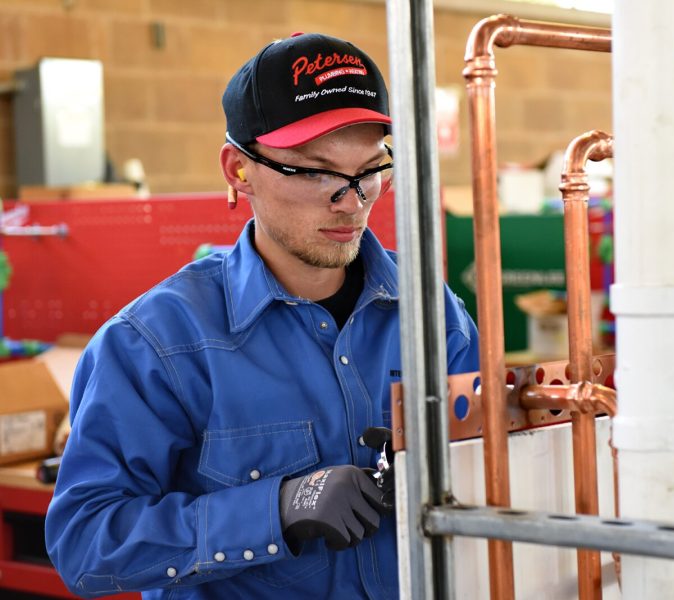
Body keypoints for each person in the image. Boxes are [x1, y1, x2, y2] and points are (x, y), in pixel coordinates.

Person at [45, 32, 479, 599]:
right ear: (238, 170)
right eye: (315, 172)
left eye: (369, 170)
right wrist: (276, 510)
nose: (352, 201)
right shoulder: (156, 344)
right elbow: (85, 545)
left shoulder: (429, 310)